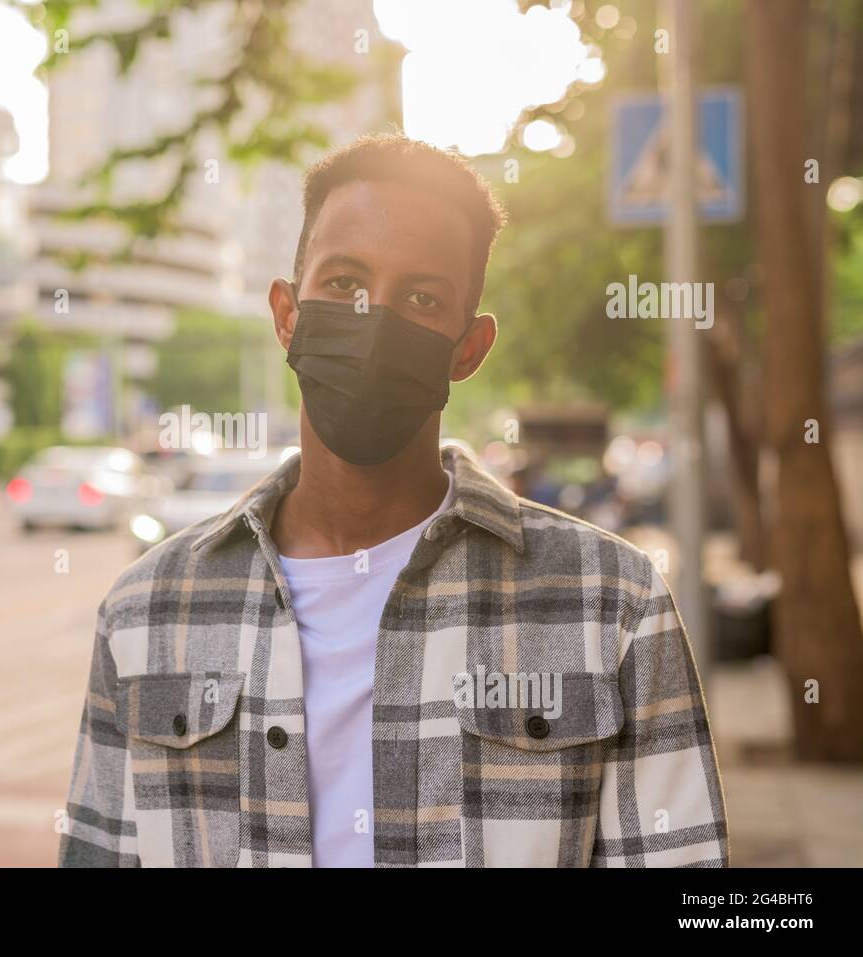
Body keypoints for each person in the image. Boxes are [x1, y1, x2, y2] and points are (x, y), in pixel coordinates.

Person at [58, 132, 728, 868]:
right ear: (287, 316)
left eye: (421, 297)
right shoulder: (146, 611)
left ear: (468, 348)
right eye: (344, 283)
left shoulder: (614, 606)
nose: (373, 321)